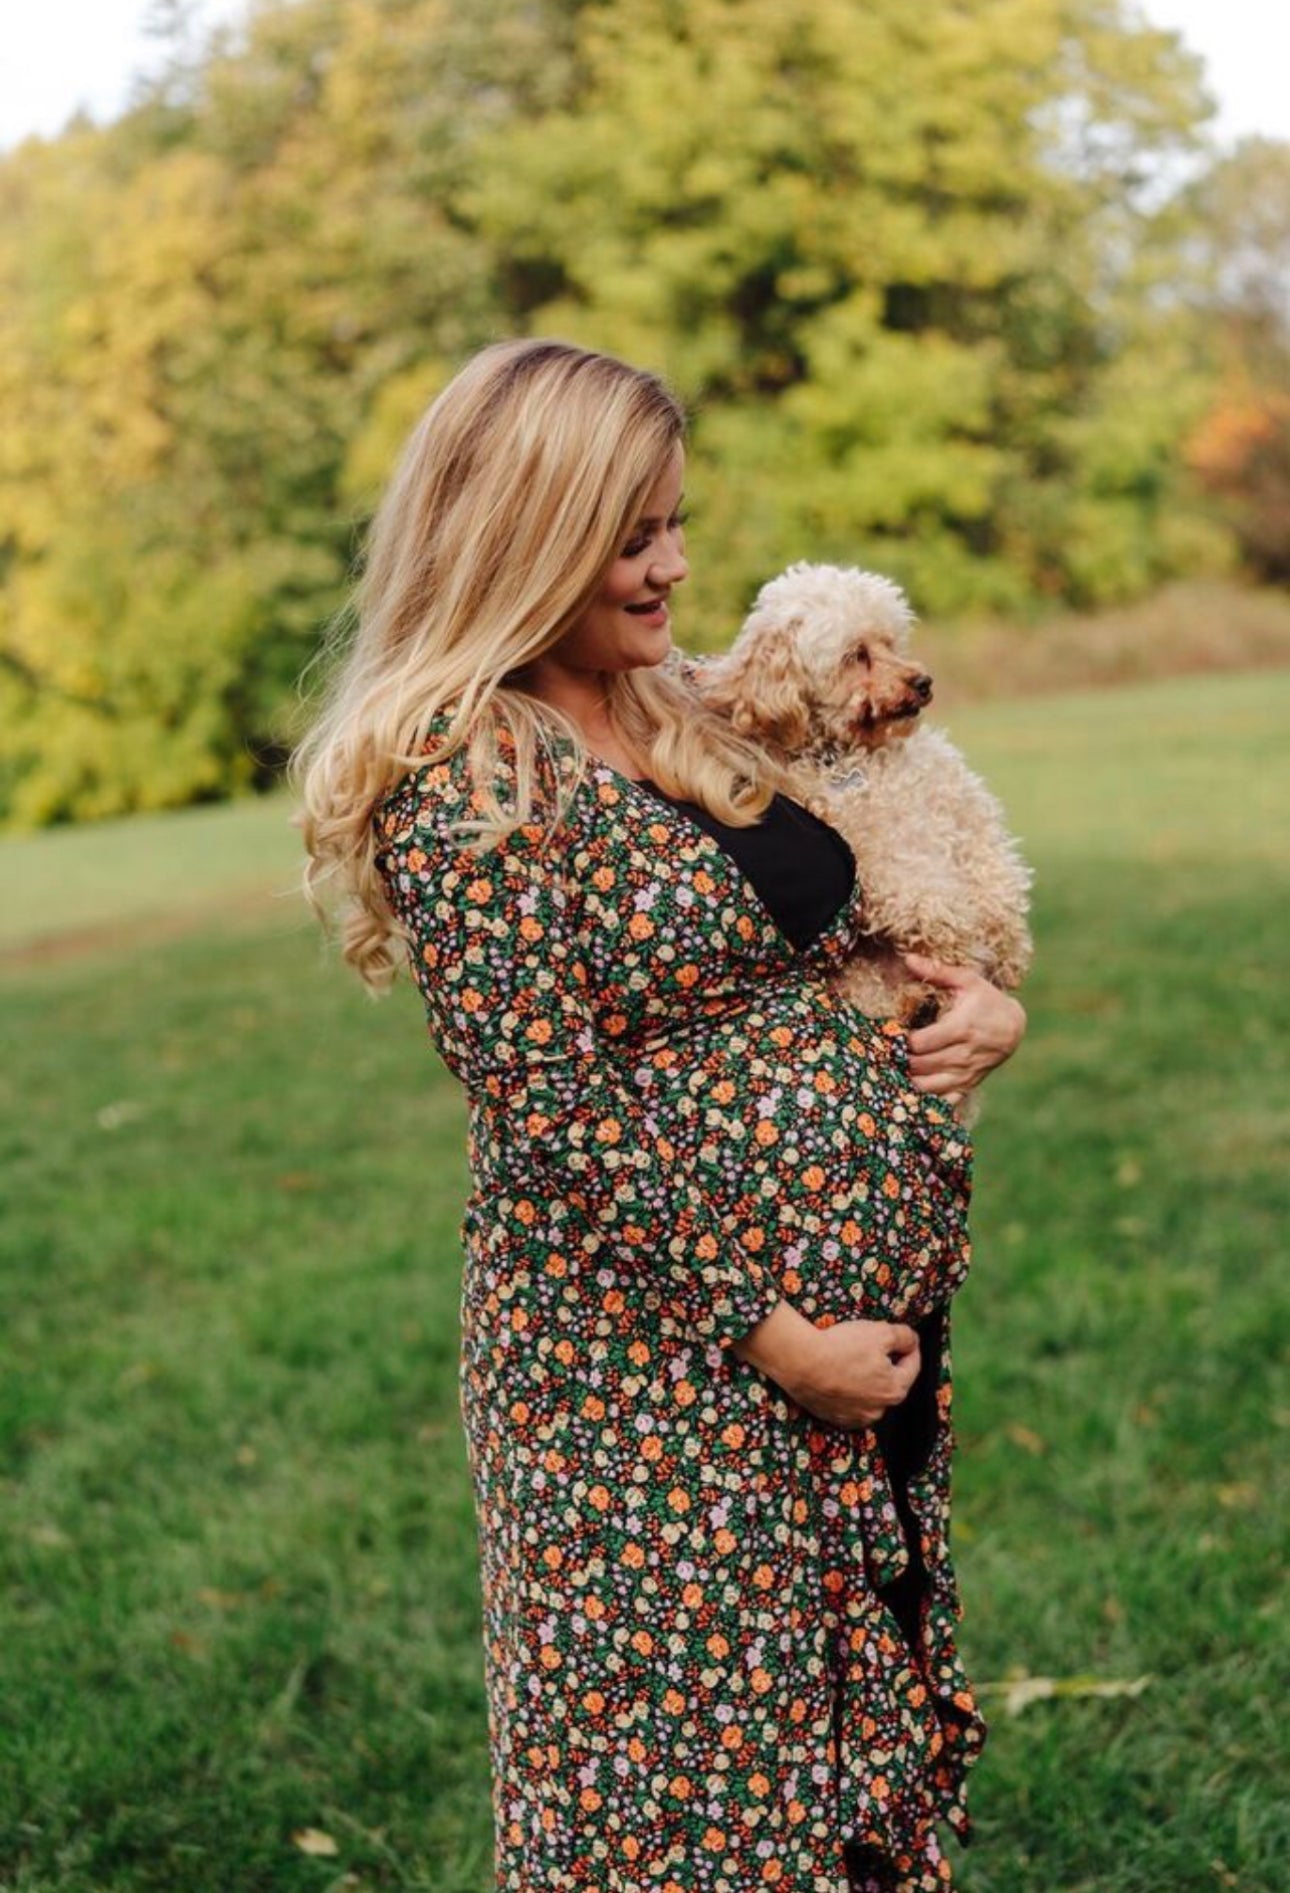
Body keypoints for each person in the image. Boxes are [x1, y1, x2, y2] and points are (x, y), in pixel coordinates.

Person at [294, 338, 1026, 1893]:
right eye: (635, 535)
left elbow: (837, 921)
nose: (676, 565)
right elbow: (548, 1112)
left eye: (674, 523)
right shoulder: (467, 768)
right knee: (697, 1791)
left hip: (840, 1334)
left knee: (843, 1737)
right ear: (529, 534)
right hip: (655, 1377)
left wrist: (977, 1005)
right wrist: (784, 1341)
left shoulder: (684, 705)